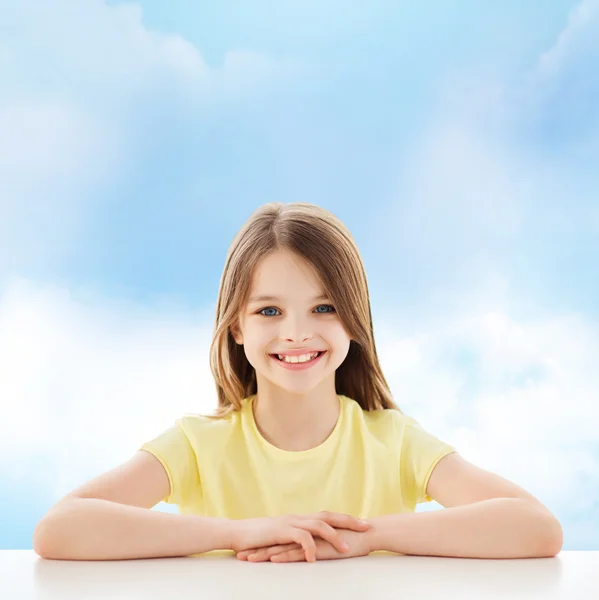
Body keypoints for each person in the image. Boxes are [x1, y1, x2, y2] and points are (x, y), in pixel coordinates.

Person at [33, 202, 563, 563]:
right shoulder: (198, 445)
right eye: (269, 310)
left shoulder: (393, 441)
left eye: (323, 307)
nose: (296, 333)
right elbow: (59, 530)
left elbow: (536, 528)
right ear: (237, 326)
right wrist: (239, 533)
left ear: (354, 321)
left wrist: (362, 538)